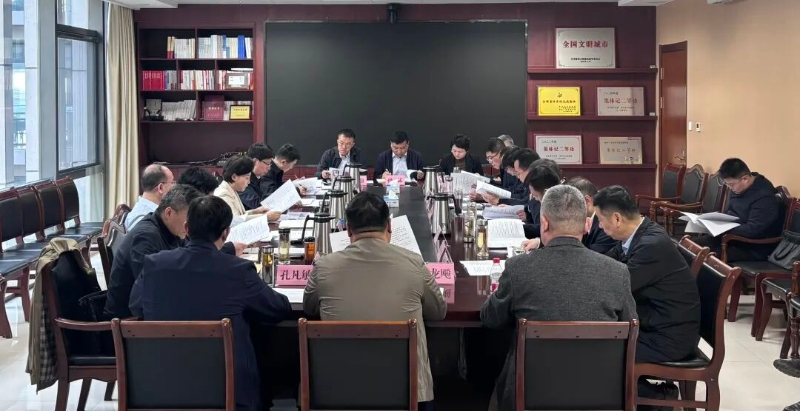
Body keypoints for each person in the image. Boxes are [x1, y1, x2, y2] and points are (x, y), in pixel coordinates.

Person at [480, 185, 637, 411]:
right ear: (586, 225)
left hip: (531, 393)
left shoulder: (518, 269)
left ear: (544, 223)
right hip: (601, 393)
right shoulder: (617, 272)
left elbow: (491, 319)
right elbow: (630, 328)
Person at [130, 196, 292, 411]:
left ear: (187, 228)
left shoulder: (155, 264)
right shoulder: (237, 271)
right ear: (226, 233)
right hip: (227, 389)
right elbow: (279, 309)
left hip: (161, 384)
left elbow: (136, 306)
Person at [304, 191, 447, 411]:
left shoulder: (324, 266)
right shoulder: (413, 262)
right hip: (407, 394)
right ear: (389, 226)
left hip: (336, 392)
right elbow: (438, 311)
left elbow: (309, 308)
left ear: (348, 230)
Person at [594, 185, 700, 364]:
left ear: (617, 218)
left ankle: (639, 385)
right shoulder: (638, 233)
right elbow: (606, 263)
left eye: (600, 219)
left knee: (594, 350)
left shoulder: (651, 246)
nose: (599, 225)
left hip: (667, 339)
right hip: (654, 324)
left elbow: (615, 288)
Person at [105, 184, 203, 319]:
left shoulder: (173, 229)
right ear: (169, 212)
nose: (190, 225)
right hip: (129, 320)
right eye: (189, 218)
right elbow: (150, 289)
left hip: (153, 309)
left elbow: (191, 257)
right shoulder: (146, 237)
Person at [694, 158, 783, 262]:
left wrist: (724, 228)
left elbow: (753, 230)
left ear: (745, 179)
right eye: (727, 184)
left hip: (751, 247)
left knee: (702, 256)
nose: (729, 188)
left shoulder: (764, 197)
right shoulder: (740, 187)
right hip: (730, 237)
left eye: (731, 184)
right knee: (690, 245)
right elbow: (731, 212)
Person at [213, 155, 280, 222]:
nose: (249, 182)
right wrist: (265, 217)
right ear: (234, 177)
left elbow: (240, 214)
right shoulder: (223, 194)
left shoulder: (231, 189)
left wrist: (255, 211)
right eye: (247, 178)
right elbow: (234, 220)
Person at [565, 177, 617, 254]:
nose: (565, 210)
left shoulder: (607, 223)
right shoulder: (578, 220)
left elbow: (593, 256)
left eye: (569, 205)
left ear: (587, 200)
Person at [521, 159, 562, 247]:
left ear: (547, 192)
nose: (533, 197)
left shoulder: (565, 205)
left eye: (535, 195)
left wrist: (539, 242)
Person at [125, 164, 175, 230]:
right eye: (172, 183)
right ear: (160, 188)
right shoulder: (142, 218)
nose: (174, 187)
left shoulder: (155, 212)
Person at [238, 142, 275, 210]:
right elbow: (257, 205)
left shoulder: (258, 178)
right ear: (255, 161)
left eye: (270, 164)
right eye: (267, 163)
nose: (269, 168)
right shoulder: (242, 179)